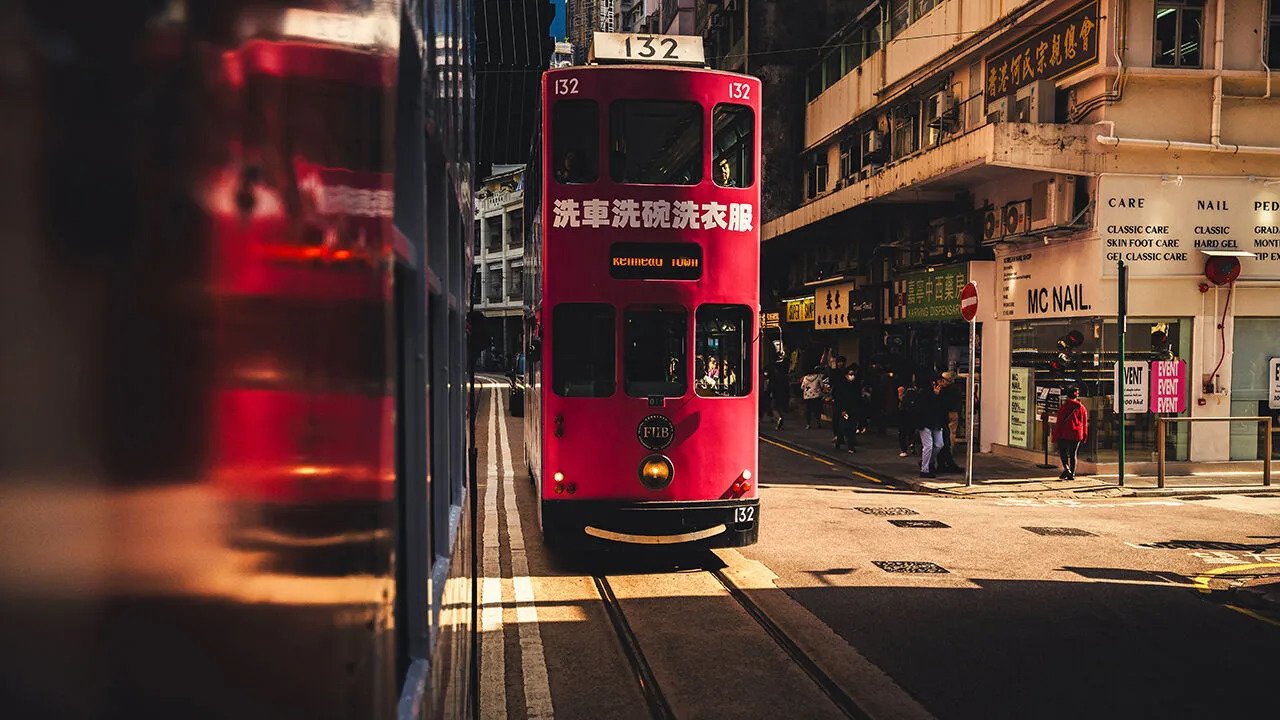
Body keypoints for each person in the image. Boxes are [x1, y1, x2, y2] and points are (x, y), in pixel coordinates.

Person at [913, 375, 948, 478]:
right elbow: (923, 408)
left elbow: (942, 407)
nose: (938, 385)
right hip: (925, 423)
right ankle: (924, 469)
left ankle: (927, 461)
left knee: (939, 444)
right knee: (928, 446)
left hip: (936, 423)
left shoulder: (941, 393)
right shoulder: (923, 393)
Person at [1052, 385, 1088, 481]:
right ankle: (1072, 473)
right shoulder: (1082, 408)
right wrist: (1085, 434)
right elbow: (1084, 422)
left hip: (1065, 433)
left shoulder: (1064, 407)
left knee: (1063, 452)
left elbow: (1059, 422)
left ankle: (1067, 469)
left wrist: (1055, 434)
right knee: (1073, 453)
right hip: (1077, 433)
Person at [935, 371, 964, 473]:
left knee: (948, 436)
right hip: (949, 414)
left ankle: (945, 460)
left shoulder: (945, 390)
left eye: (943, 380)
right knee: (947, 436)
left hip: (948, 414)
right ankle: (946, 461)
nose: (941, 382)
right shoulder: (954, 389)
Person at [833, 366, 861, 453]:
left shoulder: (855, 385)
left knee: (851, 427)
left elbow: (857, 397)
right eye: (850, 374)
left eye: (853, 374)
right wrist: (842, 409)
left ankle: (841, 441)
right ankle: (850, 447)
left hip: (853, 409)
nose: (852, 376)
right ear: (846, 375)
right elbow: (839, 398)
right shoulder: (842, 385)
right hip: (844, 410)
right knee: (846, 427)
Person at [768, 357, 790, 429]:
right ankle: (779, 423)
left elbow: (771, 386)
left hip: (775, 394)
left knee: (773, 408)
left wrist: (769, 392)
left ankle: (779, 418)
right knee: (779, 408)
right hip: (783, 394)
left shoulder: (774, 376)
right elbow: (787, 386)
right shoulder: (784, 376)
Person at [800, 365, 825, 430]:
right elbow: (822, 386)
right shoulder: (818, 376)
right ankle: (818, 421)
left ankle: (808, 424)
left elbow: (802, 387)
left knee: (808, 410)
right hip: (816, 395)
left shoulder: (805, 378)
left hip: (807, 396)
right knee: (817, 409)